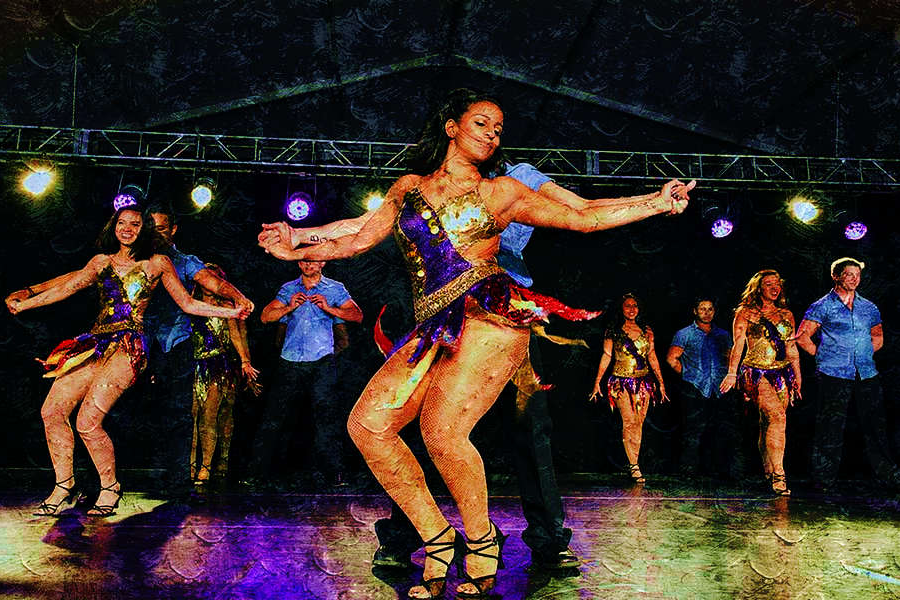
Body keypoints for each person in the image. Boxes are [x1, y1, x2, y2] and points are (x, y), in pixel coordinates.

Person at [259, 88, 693, 598]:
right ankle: (437, 537)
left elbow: (585, 214)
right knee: (369, 426)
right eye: (482, 123)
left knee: (443, 433)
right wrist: (297, 239)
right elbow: (357, 233)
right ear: (452, 127)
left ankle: (483, 544)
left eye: (499, 128)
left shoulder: (503, 191)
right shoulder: (409, 188)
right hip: (434, 323)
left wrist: (657, 202)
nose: (492, 134)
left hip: (490, 314)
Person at [4, 206, 243, 517]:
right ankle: (64, 484)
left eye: (135, 224)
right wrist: (24, 304)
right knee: (52, 410)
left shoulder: (158, 263)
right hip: (96, 342)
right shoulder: (100, 262)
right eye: (122, 222)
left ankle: (110, 487)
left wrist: (231, 310)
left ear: (144, 229)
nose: (127, 228)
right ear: (113, 226)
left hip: (130, 345)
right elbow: (67, 287)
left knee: (87, 421)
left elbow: (187, 303)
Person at [144, 205, 255, 496]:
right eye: (151, 227)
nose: (156, 233)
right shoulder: (133, 259)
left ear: (173, 229)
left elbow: (212, 285)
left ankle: (179, 480)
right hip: (139, 343)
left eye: (162, 228)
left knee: (182, 415)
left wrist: (238, 297)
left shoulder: (184, 262)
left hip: (177, 344)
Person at [794, 258, 900, 491]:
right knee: (830, 427)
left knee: (875, 426)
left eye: (857, 275)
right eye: (849, 274)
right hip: (833, 373)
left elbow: (878, 337)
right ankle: (824, 480)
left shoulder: (868, 307)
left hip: (866, 373)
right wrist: (823, 355)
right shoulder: (822, 305)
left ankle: (889, 476)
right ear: (836, 276)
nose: (855, 279)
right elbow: (802, 336)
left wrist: (863, 354)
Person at [250, 259, 363, 486]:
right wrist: (288, 307)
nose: (308, 264)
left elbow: (357, 315)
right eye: (303, 260)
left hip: (321, 361)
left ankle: (335, 473)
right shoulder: (289, 288)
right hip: (290, 360)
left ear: (322, 262)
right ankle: (257, 473)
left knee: (326, 417)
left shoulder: (334, 288)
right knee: (275, 417)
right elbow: (264, 316)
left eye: (312, 260)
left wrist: (329, 308)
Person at [720, 270, 801, 496]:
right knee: (778, 417)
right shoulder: (746, 313)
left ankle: (768, 471)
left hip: (782, 373)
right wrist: (732, 374)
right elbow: (738, 344)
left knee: (769, 422)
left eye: (777, 284)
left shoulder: (786, 314)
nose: (774, 288)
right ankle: (779, 475)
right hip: (756, 373)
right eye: (768, 284)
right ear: (758, 288)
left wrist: (798, 377)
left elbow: (791, 348)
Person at [189, 263, 261, 487]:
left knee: (212, 415)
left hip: (218, 365)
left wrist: (245, 362)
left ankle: (211, 465)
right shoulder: (190, 303)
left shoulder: (226, 307)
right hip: (194, 364)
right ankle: (190, 465)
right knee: (192, 416)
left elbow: (237, 335)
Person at [589, 294, 668, 484]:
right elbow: (607, 355)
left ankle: (635, 462)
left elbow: (652, 357)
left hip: (644, 382)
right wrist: (597, 382)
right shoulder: (613, 331)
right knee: (629, 421)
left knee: (639, 422)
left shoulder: (646, 331)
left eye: (635, 306)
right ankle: (634, 466)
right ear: (621, 308)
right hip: (621, 382)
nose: (632, 309)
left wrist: (661, 383)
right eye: (627, 306)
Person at [666, 298, 735, 477]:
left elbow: (730, 359)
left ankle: (720, 471)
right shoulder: (685, 333)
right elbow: (672, 359)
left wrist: (728, 376)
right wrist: (688, 374)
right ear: (695, 311)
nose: (707, 312)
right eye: (702, 309)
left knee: (721, 430)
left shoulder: (723, 334)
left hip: (719, 387)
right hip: (694, 388)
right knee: (692, 431)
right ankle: (688, 472)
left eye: (710, 309)